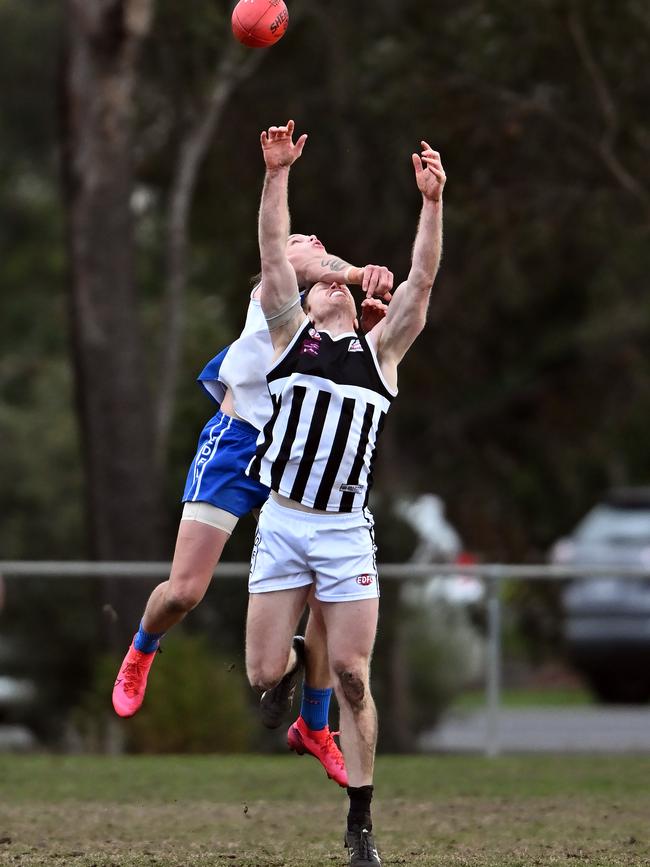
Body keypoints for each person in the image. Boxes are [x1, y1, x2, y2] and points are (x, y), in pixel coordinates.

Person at [111, 226, 393, 788]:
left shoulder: (326, 309)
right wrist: (361, 274)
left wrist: (373, 308)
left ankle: (315, 725)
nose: (309, 237)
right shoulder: (274, 289)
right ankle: (143, 646)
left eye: (315, 239)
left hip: (300, 458)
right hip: (239, 446)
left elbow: (360, 342)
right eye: (296, 237)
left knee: (326, 589)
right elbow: (310, 271)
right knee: (186, 591)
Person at [244, 120, 445, 866]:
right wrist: (276, 174)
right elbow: (273, 252)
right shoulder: (287, 335)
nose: (333, 282)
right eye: (322, 279)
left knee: (357, 674)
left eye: (340, 279)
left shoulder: (381, 353)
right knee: (265, 680)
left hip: (342, 531)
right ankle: (295, 668)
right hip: (283, 523)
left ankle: (360, 825)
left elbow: (420, 284)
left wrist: (431, 203)